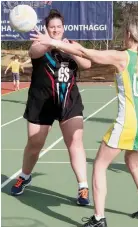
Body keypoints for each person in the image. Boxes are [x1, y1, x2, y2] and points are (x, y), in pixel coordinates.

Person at [30, 16, 138, 226]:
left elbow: (85, 53)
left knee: (99, 165)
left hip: (129, 122)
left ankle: (99, 218)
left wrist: (52, 42)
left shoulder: (122, 58)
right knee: (133, 163)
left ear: (128, 34)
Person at [11, 9, 91, 206]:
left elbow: (87, 63)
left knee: (75, 141)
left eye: (58, 27)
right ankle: (25, 176)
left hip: (68, 101)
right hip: (41, 101)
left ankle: (83, 186)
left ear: (63, 28)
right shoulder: (39, 43)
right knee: (34, 143)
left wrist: (67, 48)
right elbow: (34, 53)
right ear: (47, 29)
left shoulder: (71, 45)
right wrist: (48, 43)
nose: (55, 30)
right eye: (52, 27)